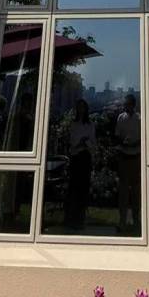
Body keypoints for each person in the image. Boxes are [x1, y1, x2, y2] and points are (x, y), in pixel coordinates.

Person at [65, 98, 95, 230]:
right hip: (76, 157)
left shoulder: (90, 125)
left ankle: (80, 218)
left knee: (83, 188)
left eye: (83, 107)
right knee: (74, 187)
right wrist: (80, 143)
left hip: (85, 156)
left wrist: (85, 143)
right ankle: (71, 217)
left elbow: (92, 142)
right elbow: (72, 142)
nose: (81, 109)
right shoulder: (74, 124)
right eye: (79, 107)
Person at [115, 93, 141, 232]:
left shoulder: (139, 118)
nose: (126, 106)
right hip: (124, 156)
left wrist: (134, 144)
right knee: (123, 192)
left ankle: (136, 220)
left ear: (133, 105)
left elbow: (143, 137)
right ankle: (122, 221)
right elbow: (117, 136)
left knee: (136, 191)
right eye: (125, 104)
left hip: (136, 156)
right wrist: (124, 143)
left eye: (128, 104)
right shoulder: (121, 118)